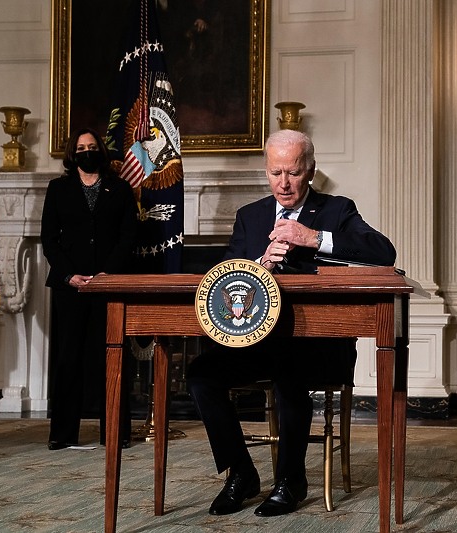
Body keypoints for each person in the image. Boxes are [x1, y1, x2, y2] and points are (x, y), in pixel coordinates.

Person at [187, 129, 396, 517]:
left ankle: (290, 481)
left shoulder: (337, 210)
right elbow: (226, 279)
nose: (284, 183)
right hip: (260, 341)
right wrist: (259, 265)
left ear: (311, 171)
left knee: (288, 368)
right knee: (201, 375)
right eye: (275, 173)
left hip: (320, 344)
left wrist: (313, 237)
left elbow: (384, 252)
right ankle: (241, 474)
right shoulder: (250, 217)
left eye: (294, 173)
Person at [40, 128, 138, 450]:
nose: (87, 151)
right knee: (68, 359)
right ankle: (62, 434)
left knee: (111, 359)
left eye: (92, 146)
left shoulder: (120, 189)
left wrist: (106, 273)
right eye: (81, 147)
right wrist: (69, 275)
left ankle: (115, 431)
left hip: (109, 285)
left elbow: (128, 236)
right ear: (72, 153)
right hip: (71, 287)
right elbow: (49, 239)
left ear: (101, 151)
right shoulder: (57, 189)